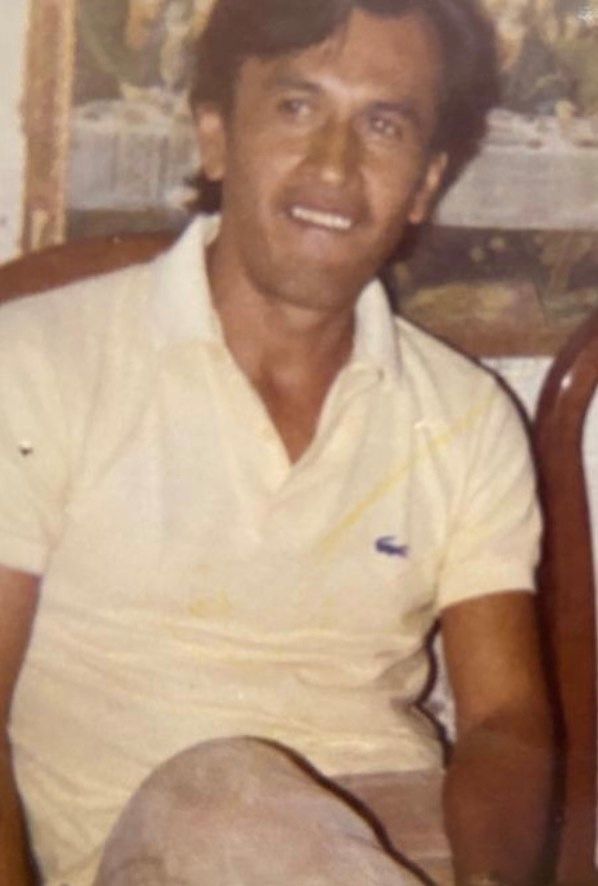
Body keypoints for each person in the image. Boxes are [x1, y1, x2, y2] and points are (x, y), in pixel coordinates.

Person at [0, 0, 554, 884]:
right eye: (297, 108)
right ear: (216, 137)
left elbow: (503, 722)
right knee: (225, 793)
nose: (334, 165)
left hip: (394, 835)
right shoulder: (34, 362)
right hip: (158, 845)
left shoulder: (465, 413)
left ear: (424, 185)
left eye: (382, 125)